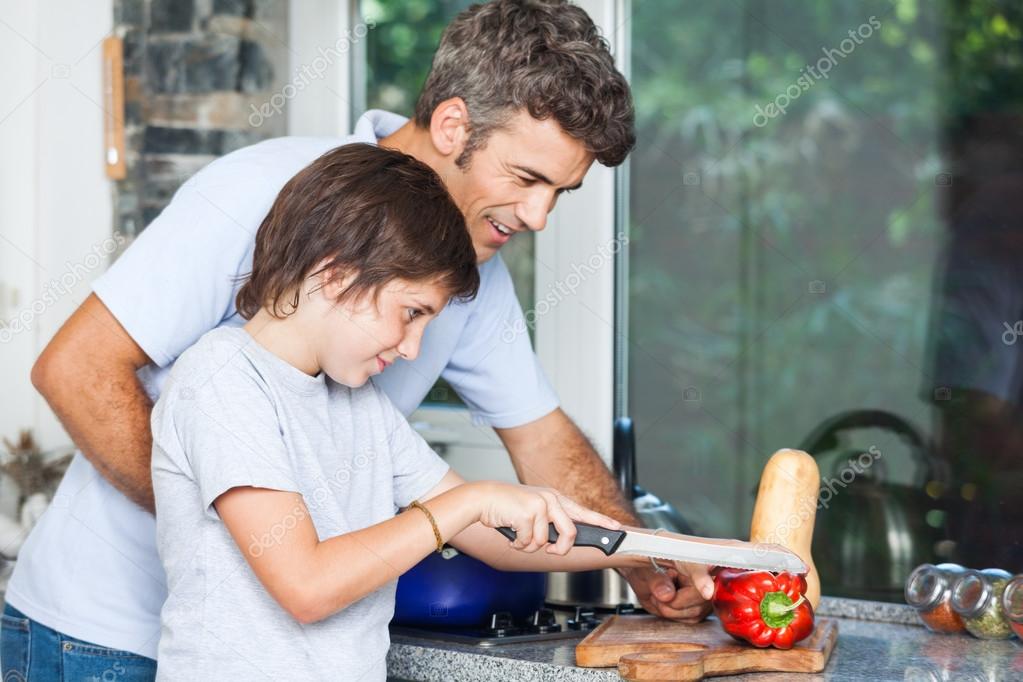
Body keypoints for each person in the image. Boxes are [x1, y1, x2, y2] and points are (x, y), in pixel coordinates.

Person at [2, 1, 710, 679]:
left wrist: (644, 559)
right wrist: (256, 533)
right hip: (102, 633)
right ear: (453, 125)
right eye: (526, 179)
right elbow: (76, 369)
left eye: (561, 192)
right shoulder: (266, 191)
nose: (538, 216)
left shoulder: (467, 277)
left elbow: (541, 444)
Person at [151, 142, 690, 680]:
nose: (412, 348)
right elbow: (307, 587)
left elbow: (493, 542)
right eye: (411, 314)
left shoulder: (360, 404)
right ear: (335, 275)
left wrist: (649, 549)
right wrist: (470, 501)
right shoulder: (221, 379)